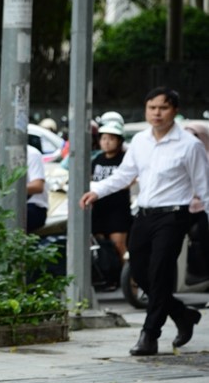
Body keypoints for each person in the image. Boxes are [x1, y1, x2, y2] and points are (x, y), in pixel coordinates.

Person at [80, 87, 208, 356]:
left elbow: (204, 187)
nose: (157, 113)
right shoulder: (139, 141)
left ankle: (149, 335)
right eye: (152, 108)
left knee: (160, 271)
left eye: (162, 108)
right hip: (144, 214)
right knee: (138, 270)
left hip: (174, 216)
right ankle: (182, 314)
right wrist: (97, 191)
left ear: (174, 110)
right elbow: (125, 174)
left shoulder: (190, 145)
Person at [90, 121, 132, 265]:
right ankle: (110, 276)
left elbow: (130, 181)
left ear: (119, 141)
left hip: (118, 209)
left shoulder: (125, 159)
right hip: (99, 208)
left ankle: (128, 279)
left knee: (119, 245)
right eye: (104, 138)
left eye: (111, 139)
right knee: (101, 245)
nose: (107, 142)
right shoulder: (97, 159)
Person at [26, 144, 48, 233]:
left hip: (33, 207)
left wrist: (9, 189)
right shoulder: (5, 154)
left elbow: (38, 186)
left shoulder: (31, 154)